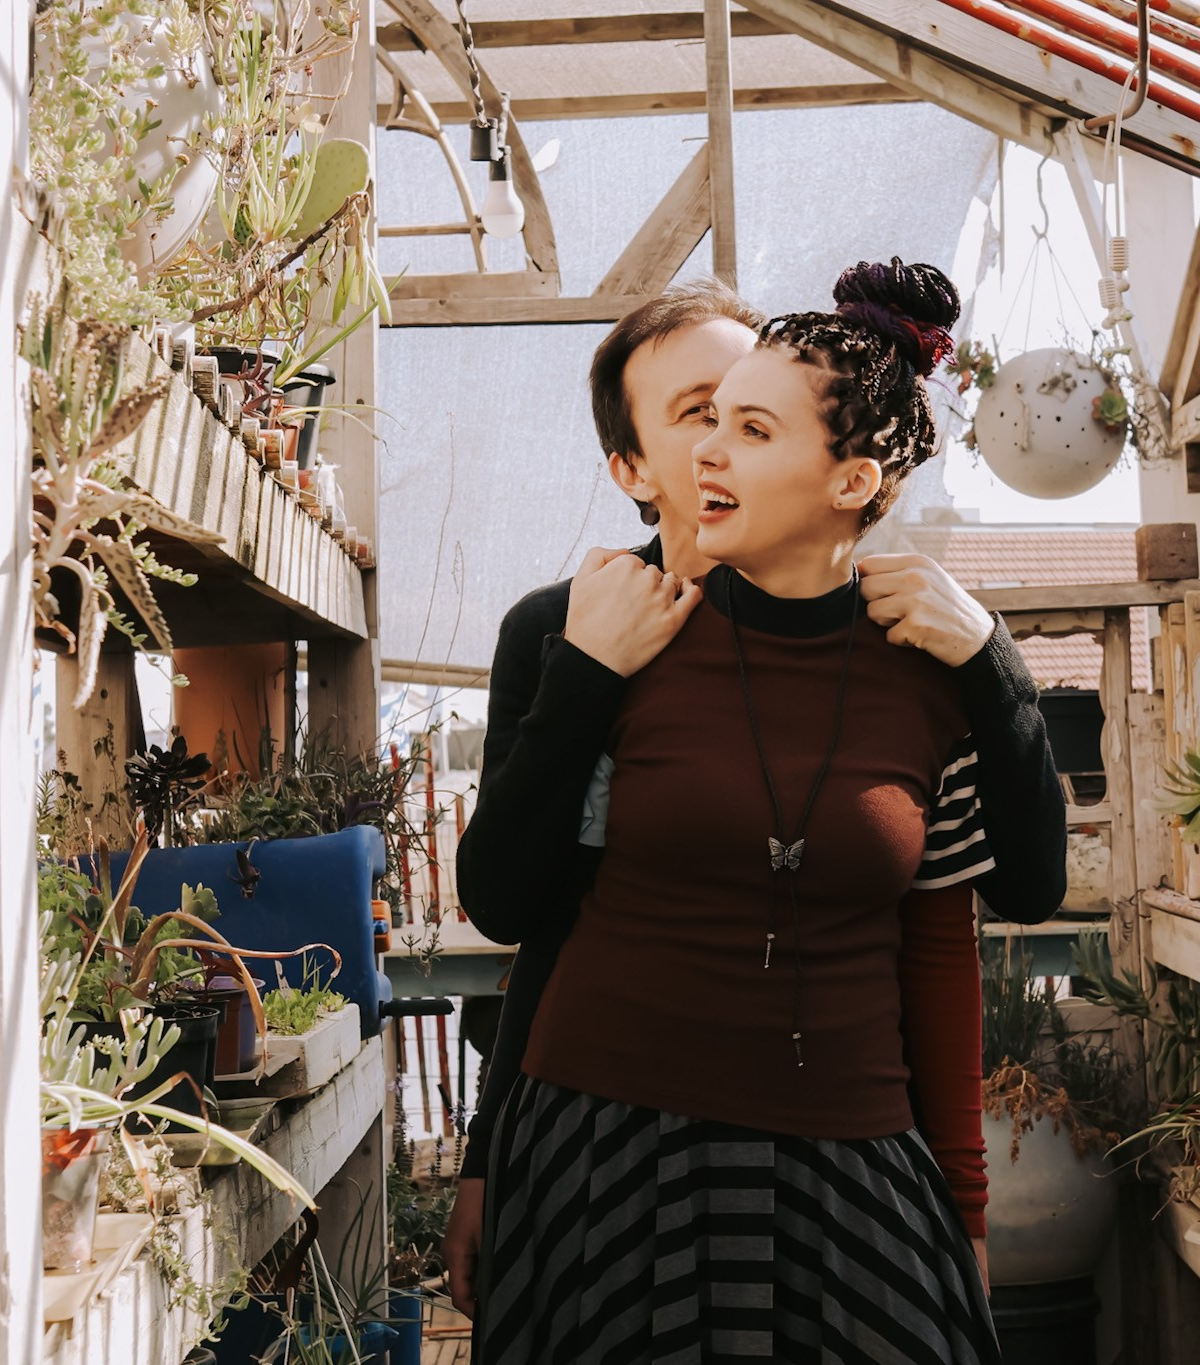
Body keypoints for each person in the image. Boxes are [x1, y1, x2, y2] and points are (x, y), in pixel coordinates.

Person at [449, 266, 1066, 1361]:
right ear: (632, 467)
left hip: (848, 1151)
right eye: (699, 422)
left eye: (746, 423)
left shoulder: (928, 664)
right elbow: (521, 916)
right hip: (605, 1146)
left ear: (851, 478)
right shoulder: (600, 632)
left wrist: (996, 670)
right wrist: (486, 1161)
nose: (710, 453)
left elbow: (965, 931)